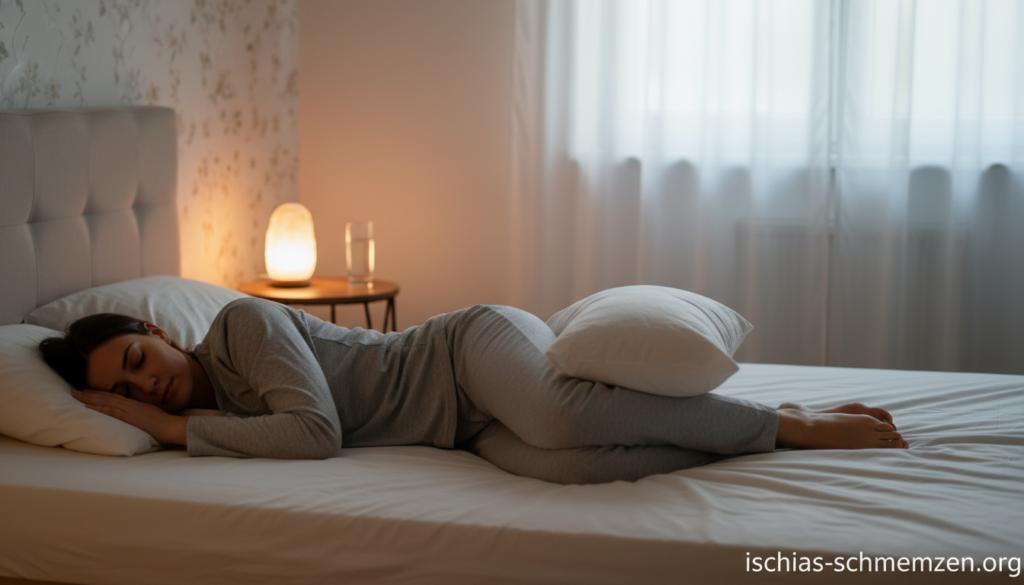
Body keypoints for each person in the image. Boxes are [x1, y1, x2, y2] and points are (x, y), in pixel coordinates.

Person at [39, 298, 907, 484]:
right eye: (126, 386)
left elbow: (314, 434)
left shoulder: (237, 327)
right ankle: (732, 440)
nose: (146, 380)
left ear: (153, 331)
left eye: (136, 358)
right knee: (569, 467)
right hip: (455, 429)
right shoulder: (210, 412)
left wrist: (159, 422)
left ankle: (782, 423)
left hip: (461, 352)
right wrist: (171, 422)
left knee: (562, 412)